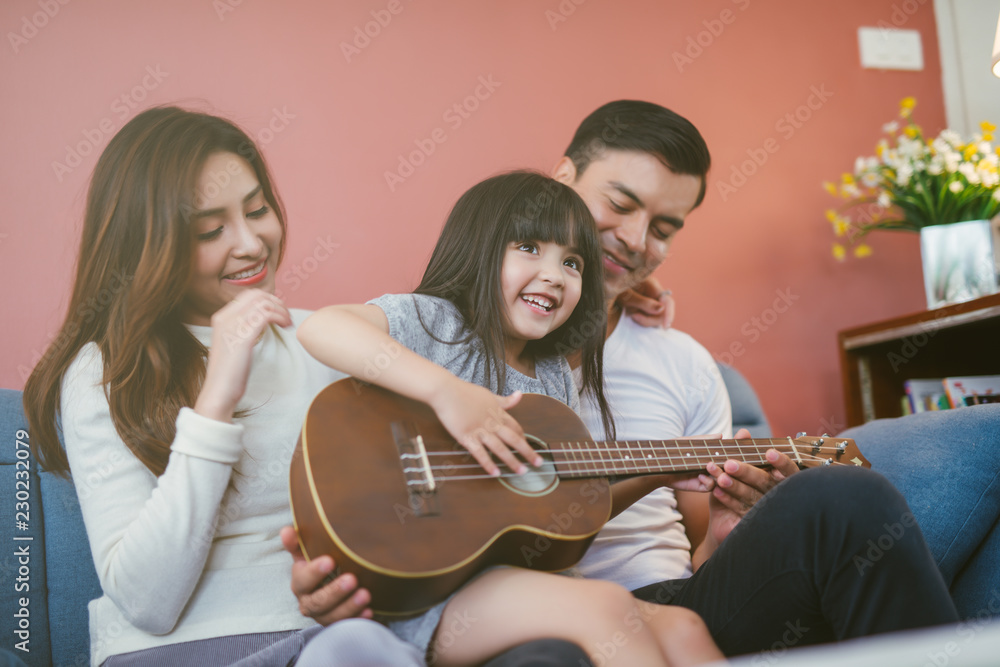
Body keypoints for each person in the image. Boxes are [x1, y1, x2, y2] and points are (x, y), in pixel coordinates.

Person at [19, 106, 589, 667]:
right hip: (176, 650)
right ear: (147, 244)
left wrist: (358, 593)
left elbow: (421, 499)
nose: (250, 243)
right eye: (211, 229)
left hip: (331, 639)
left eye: (258, 210)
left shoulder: (323, 341)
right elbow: (147, 602)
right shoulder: (105, 370)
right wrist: (217, 397)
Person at [547, 100, 963, 655]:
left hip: (671, 602)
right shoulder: (464, 334)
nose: (637, 239)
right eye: (620, 203)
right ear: (563, 178)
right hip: (536, 615)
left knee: (845, 499)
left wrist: (723, 535)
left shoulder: (683, 362)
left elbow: (700, 554)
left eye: (665, 227)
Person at [296, 170, 725, 666]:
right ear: (478, 247)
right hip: (434, 589)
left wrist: (660, 471)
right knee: (605, 606)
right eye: (528, 247)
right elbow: (322, 327)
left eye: (572, 262)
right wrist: (446, 392)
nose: (553, 274)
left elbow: (562, 511)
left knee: (682, 626)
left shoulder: (553, 376)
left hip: (532, 585)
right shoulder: (433, 323)